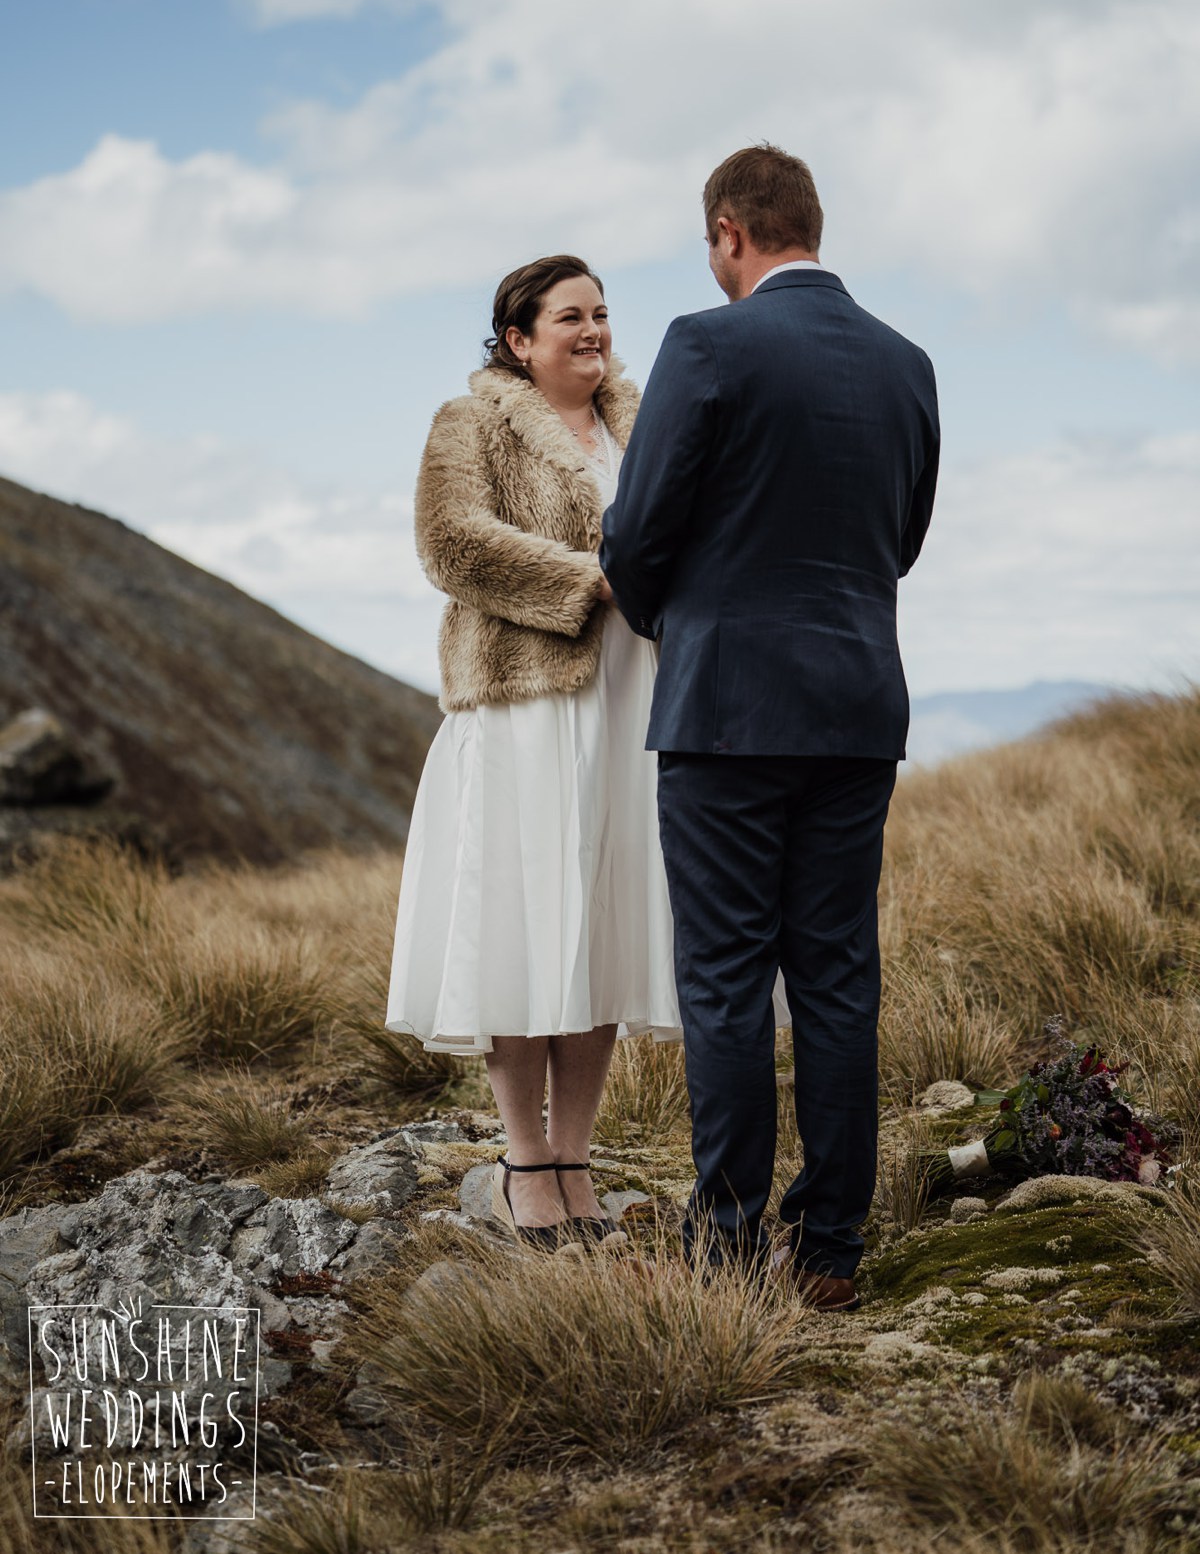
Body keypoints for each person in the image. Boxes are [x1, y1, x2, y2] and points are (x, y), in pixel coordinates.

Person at [600, 144, 940, 1309]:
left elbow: (636, 533)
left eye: (711, 245)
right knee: (841, 978)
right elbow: (903, 537)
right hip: (856, 707)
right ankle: (833, 1250)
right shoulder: (907, 363)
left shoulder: (705, 342)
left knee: (729, 980)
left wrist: (673, 622)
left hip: (726, 712)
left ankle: (734, 1248)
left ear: (730, 233)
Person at [386, 254, 678, 1250]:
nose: (593, 331)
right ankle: (523, 1162)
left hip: (629, 703)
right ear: (519, 339)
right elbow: (450, 542)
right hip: (523, 705)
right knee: (522, 927)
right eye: (570, 317)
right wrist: (589, 581)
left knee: (595, 926)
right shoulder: (471, 423)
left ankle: (575, 1161)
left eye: (601, 313)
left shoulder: (642, 419)